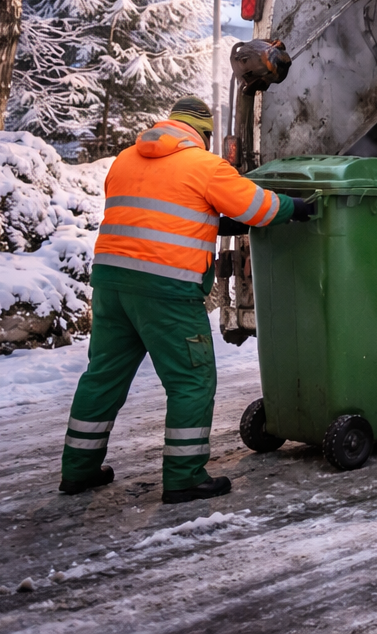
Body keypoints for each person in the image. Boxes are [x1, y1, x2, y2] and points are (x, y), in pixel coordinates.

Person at [59, 97, 314, 504]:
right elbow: (257, 207)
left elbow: (165, 212)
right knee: (192, 382)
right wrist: (295, 208)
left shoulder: (125, 160)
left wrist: (215, 217)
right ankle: (184, 477)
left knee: (103, 376)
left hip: (111, 285)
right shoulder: (205, 165)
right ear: (204, 134)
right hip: (168, 290)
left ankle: (77, 470)